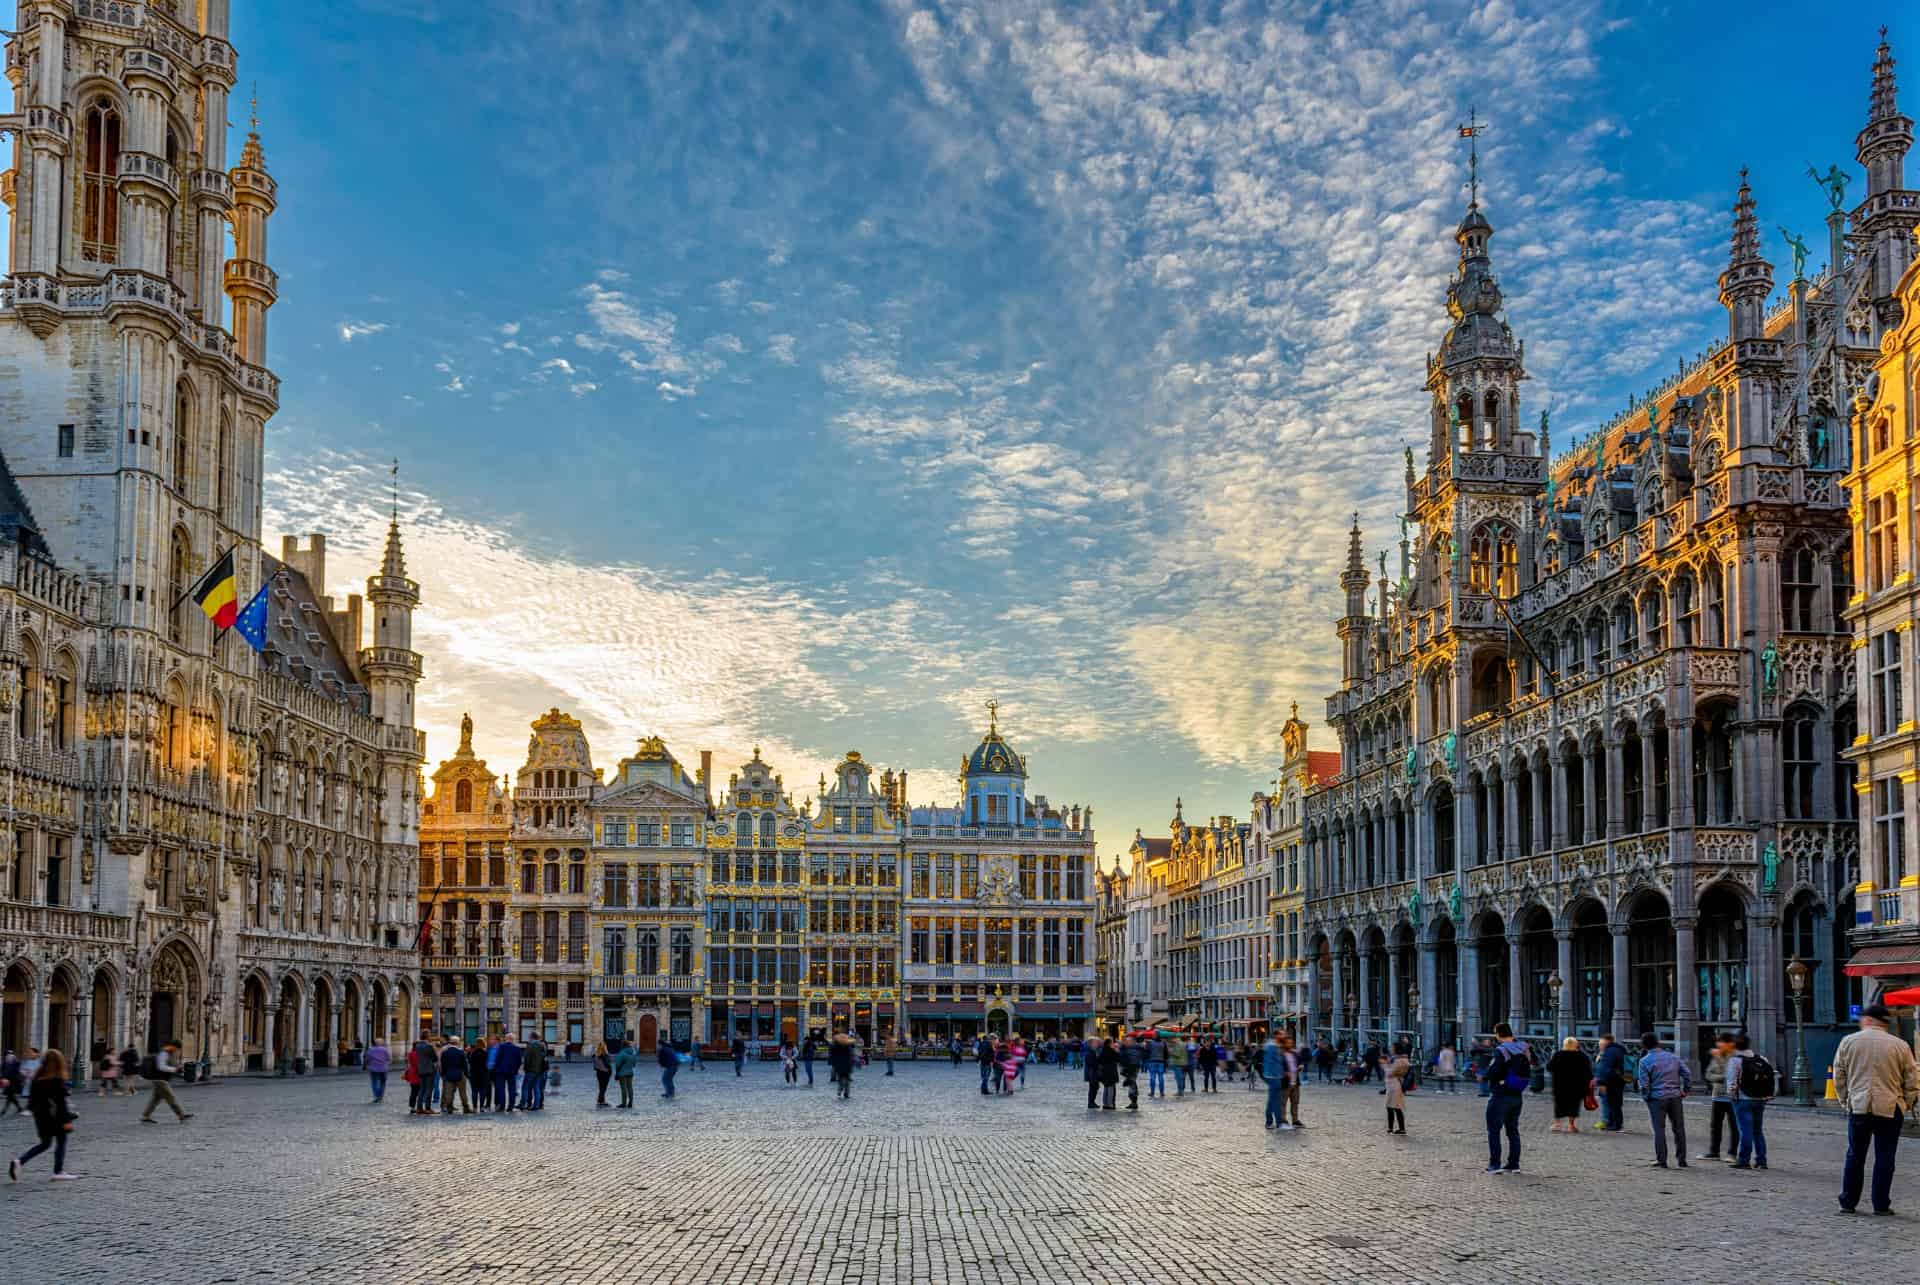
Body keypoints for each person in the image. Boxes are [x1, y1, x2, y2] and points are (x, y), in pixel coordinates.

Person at [1833, 1002, 1919, 1215]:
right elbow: (1913, 1078)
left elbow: (1839, 1076)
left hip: (1859, 1106)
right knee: (1885, 1157)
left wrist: (1846, 1101)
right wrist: (1906, 1102)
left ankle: (1848, 1201)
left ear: (1869, 1020)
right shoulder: (1899, 1045)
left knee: (1855, 1155)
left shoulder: (1848, 1042)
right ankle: (1880, 1204)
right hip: (1890, 1107)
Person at [9, 1050, 78, 1182]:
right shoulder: (57, 1080)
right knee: (61, 1142)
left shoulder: (37, 1079)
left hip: (41, 1118)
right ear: (59, 1063)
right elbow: (60, 1104)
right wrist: (67, 1120)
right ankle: (58, 1172)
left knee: (45, 1144)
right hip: (56, 1118)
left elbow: (32, 1102)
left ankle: (19, 1161)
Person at [1636, 1032, 1692, 1168]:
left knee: (1659, 1129)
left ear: (1644, 1046)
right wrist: (1686, 1089)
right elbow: (1687, 1073)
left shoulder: (1644, 1061)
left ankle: (1662, 1160)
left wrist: (1646, 1097)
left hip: (1656, 1098)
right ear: (1658, 1042)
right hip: (1675, 1096)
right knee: (1679, 1128)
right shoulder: (1673, 1057)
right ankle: (1682, 1159)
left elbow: (1644, 1084)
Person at [1482, 1024, 1530, 1174]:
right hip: (1517, 1094)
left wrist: (1487, 1075)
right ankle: (1514, 1164)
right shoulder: (1523, 1047)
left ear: (1498, 1034)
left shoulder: (1501, 1050)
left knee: (1494, 1130)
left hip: (1500, 1094)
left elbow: (1493, 1071)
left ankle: (1495, 1164)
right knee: (1513, 1130)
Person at [1725, 1033, 1775, 1170]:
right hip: (1760, 1099)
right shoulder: (1762, 1059)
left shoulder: (1735, 1061)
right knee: (1758, 1130)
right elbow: (1770, 1077)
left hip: (1743, 1099)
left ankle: (1743, 1159)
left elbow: (1732, 1083)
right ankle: (1761, 1160)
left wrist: (1732, 1096)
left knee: (1745, 1130)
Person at [1546, 1037, 1593, 1133]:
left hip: (1560, 1085)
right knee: (1574, 1105)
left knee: (1559, 1104)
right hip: (1576, 1086)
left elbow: (1549, 1067)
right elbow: (1588, 1073)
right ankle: (1571, 1125)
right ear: (1576, 1045)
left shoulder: (1558, 1055)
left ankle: (1557, 1124)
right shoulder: (1582, 1056)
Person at [1700, 1033, 1735, 1162]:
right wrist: (1720, 1077)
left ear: (1729, 1044)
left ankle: (1733, 1153)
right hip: (1717, 1096)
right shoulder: (1716, 1056)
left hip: (1732, 1097)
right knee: (1715, 1125)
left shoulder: (1735, 1056)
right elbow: (1708, 1074)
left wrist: (1719, 1074)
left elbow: (1730, 1074)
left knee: (1734, 1126)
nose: (1718, 1045)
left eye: (1721, 1042)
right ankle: (1714, 1151)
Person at [139, 1041, 192, 1125]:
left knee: (155, 1100)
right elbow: (161, 1066)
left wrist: (178, 1069)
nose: (179, 1051)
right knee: (171, 1097)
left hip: (161, 1079)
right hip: (159, 1079)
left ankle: (145, 1116)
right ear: (175, 1047)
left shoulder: (170, 1053)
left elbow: (171, 1065)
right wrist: (174, 1069)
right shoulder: (164, 1053)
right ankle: (181, 1115)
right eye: (178, 1049)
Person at [1593, 1033, 1626, 1132]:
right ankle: (1614, 1123)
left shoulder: (1609, 1052)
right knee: (1616, 1103)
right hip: (1619, 1080)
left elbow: (1605, 1069)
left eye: (1601, 1044)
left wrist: (1601, 1082)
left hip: (1610, 1082)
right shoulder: (1620, 1049)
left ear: (1606, 1042)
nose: (1600, 1046)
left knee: (1612, 1103)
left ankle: (1614, 1124)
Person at [1261, 1033, 1289, 1130]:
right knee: (1275, 1100)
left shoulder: (1272, 1046)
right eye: (1282, 1035)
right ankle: (1277, 1123)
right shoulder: (1272, 1047)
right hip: (1273, 1076)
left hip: (1273, 1075)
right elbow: (1274, 1063)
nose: (1284, 1037)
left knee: (1273, 1099)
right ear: (1277, 1036)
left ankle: (1271, 1122)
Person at [439, 1038, 471, 1114]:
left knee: (449, 1092)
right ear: (457, 1043)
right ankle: (465, 1107)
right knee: (462, 1092)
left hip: (449, 1074)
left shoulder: (445, 1053)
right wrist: (466, 1074)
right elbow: (465, 1065)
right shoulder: (461, 1052)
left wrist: (443, 1074)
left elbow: (443, 1065)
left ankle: (449, 1107)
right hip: (460, 1074)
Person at [1384, 1042, 1410, 1135]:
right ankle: (1395, 1128)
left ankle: (1395, 1128)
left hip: (1394, 1084)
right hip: (1395, 1083)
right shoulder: (1403, 1059)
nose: (1391, 1049)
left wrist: (1386, 1065)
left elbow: (1390, 1072)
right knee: (1394, 1106)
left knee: (1393, 1106)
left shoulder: (1398, 1060)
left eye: (1392, 1048)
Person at [410, 1034, 439, 1115]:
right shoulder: (429, 1046)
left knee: (422, 1089)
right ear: (427, 1037)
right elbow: (435, 1057)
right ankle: (427, 1108)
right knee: (429, 1089)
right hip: (429, 1069)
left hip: (421, 1069)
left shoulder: (418, 1046)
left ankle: (419, 1108)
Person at [493, 1034, 523, 1111]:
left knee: (501, 1089)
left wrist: (496, 1068)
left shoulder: (502, 1046)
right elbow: (519, 1062)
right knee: (512, 1089)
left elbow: (498, 1058)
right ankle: (511, 1106)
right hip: (512, 1072)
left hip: (501, 1071)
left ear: (506, 1039)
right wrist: (515, 1070)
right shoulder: (517, 1048)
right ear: (513, 1039)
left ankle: (502, 1106)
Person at [828, 1032, 856, 1100]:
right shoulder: (848, 1047)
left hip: (839, 1065)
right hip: (847, 1065)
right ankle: (846, 1092)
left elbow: (832, 1054)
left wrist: (833, 1062)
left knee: (840, 1079)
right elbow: (852, 1056)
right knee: (847, 1079)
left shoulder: (835, 1047)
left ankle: (839, 1091)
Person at [523, 1037, 549, 1111]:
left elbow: (546, 1066)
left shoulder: (544, 1055)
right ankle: (530, 1103)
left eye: (544, 1045)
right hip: (536, 1072)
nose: (543, 1046)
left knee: (540, 1089)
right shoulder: (540, 1053)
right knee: (531, 1088)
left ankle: (540, 1104)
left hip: (541, 1073)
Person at [365, 1036, 391, 1105]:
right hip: (383, 1069)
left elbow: (367, 1059)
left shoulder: (371, 1050)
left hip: (373, 1069)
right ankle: (381, 1096)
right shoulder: (385, 1050)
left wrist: (368, 1065)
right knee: (383, 1082)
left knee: (374, 1082)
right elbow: (388, 1058)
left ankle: (376, 1096)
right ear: (381, 1043)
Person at [612, 1041, 638, 1108]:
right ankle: (630, 1103)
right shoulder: (633, 1053)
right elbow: (634, 1064)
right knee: (630, 1088)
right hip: (630, 1072)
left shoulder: (622, 1053)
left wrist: (617, 1072)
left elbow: (618, 1064)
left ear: (623, 1046)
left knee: (623, 1088)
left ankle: (623, 1103)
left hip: (622, 1073)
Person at [469, 1037, 493, 1110]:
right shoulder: (486, 1053)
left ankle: (475, 1107)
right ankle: (482, 1107)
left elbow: (470, 1062)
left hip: (474, 1074)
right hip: (483, 1073)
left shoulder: (473, 1053)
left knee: (474, 1091)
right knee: (482, 1090)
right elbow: (487, 1063)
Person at [1119, 1036, 1142, 1110]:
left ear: (1132, 1042)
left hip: (1132, 1067)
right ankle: (1133, 1102)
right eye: (1126, 1041)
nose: (1126, 1042)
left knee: (1132, 1084)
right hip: (1130, 1067)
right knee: (1132, 1084)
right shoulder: (1127, 1048)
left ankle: (1134, 1102)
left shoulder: (1133, 1048)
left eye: (1128, 1041)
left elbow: (1123, 1056)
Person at [592, 1041, 613, 1108]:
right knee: (603, 1088)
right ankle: (601, 1101)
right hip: (605, 1073)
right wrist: (608, 1070)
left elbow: (595, 1066)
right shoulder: (605, 1055)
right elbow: (608, 1064)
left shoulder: (596, 1055)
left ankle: (602, 1100)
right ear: (605, 1047)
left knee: (601, 1087)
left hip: (599, 1073)